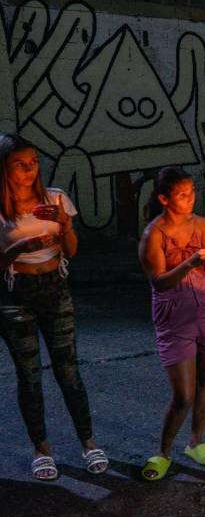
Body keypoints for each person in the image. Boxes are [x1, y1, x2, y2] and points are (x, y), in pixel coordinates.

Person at [0, 134, 108, 481]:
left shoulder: (55, 198)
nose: (29, 169)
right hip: (15, 294)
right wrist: (21, 247)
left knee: (68, 370)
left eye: (33, 162)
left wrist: (64, 224)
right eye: (20, 164)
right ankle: (42, 449)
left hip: (55, 289)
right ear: (4, 168)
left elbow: (72, 250)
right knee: (29, 376)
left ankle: (88, 443)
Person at [138, 167, 205, 481]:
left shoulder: (203, 225)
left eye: (191, 192)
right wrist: (190, 262)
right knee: (184, 395)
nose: (190, 198)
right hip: (174, 314)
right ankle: (163, 451)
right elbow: (159, 282)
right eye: (182, 194)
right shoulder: (154, 234)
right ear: (164, 199)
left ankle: (196, 441)